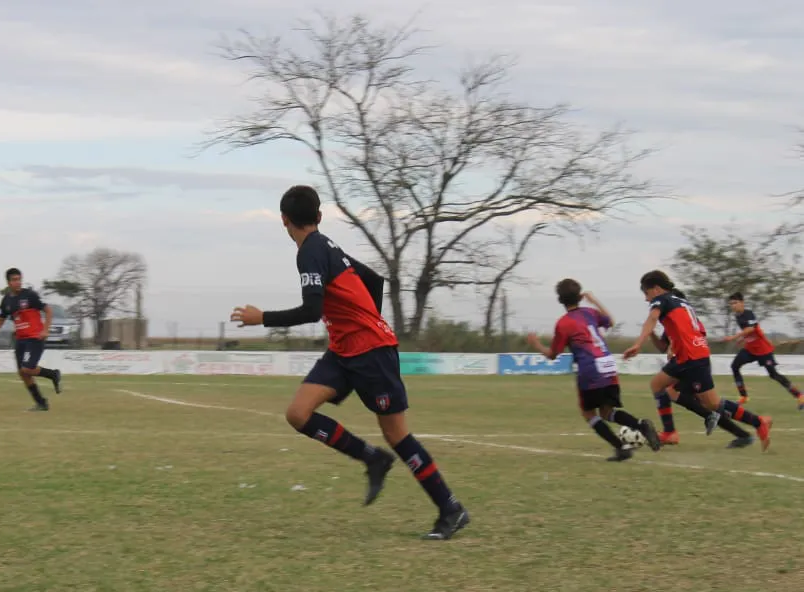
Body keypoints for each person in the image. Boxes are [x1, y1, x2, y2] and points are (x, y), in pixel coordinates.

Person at [230, 185, 469, 541]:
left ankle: (450, 508)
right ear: (319, 217)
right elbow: (373, 280)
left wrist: (261, 317)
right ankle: (372, 458)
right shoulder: (327, 246)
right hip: (344, 351)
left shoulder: (311, 251)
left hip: (372, 352)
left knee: (397, 435)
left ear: (284, 220)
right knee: (298, 413)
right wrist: (356, 320)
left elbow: (312, 310)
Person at [623, 271, 772, 450]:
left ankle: (757, 422)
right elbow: (687, 332)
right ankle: (671, 432)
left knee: (712, 403)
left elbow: (652, 318)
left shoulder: (663, 299)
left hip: (692, 357)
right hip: (690, 354)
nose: (647, 299)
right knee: (659, 385)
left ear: (656, 289)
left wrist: (638, 344)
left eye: (646, 294)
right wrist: (670, 345)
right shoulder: (682, 303)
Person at [527, 280, 660, 461]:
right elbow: (611, 321)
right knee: (607, 412)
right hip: (608, 364)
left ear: (560, 300)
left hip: (590, 369)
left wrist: (536, 345)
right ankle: (641, 425)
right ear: (580, 296)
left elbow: (552, 354)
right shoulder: (590, 312)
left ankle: (621, 448)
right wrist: (594, 300)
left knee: (588, 413)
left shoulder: (563, 324)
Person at [0, 268, 62, 411]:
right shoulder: (7, 300)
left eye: (19, 279)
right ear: (8, 282)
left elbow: (48, 310)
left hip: (35, 338)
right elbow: (1, 319)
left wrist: (45, 329)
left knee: (27, 369)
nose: (18, 282)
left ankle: (53, 374)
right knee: (22, 373)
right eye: (14, 280)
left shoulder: (30, 296)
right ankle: (41, 403)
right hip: (20, 340)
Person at [724, 292, 804, 410]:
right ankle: (744, 396)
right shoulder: (737, 316)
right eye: (731, 304)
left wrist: (734, 337)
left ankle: (800, 396)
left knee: (773, 375)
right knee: (734, 366)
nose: (733, 306)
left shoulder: (749, 313)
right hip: (750, 349)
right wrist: (742, 339)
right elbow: (748, 331)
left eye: (735, 303)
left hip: (763, 350)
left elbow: (751, 328)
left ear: (742, 303)